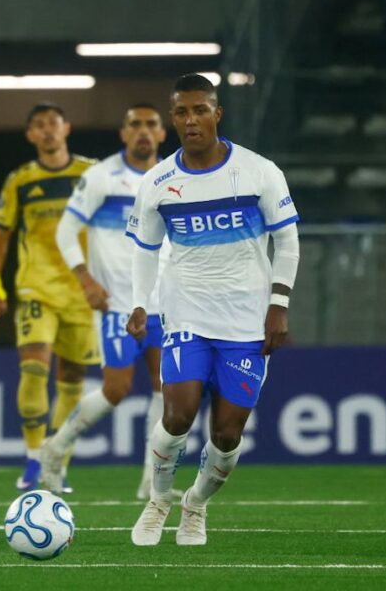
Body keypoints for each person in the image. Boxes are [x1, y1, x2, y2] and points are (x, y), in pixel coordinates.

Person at [126, 74, 300, 546]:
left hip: (246, 321)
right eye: (181, 112)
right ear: (173, 118)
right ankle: (159, 499)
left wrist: (278, 305)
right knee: (178, 415)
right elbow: (145, 248)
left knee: (226, 434)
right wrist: (141, 303)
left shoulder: (259, 171)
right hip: (186, 316)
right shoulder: (158, 181)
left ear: (217, 113)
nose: (190, 120)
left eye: (200, 110)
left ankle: (195, 504)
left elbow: (286, 241)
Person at [40, 104, 169, 499]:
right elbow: (66, 231)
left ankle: (152, 480)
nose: (143, 132)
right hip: (117, 305)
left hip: (166, 303)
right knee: (116, 390)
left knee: (168, 389)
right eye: (135, 125)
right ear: (123, 133)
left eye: (151, 125)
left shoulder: (172, 177)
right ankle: (54, 449)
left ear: (162, 134)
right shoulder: (101, 177)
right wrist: (85, 279)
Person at [0, 103, 98, 491]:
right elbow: (0, 231)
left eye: (54, 124)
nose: (48, 131)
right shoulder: (20, 180)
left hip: (82, 291)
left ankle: (57, 461)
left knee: (72, 378)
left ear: (66, 128)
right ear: (31, 135)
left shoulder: (91, 173)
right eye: (39, 126)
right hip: (37, 286)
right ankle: (34, 459)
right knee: (33, 367)